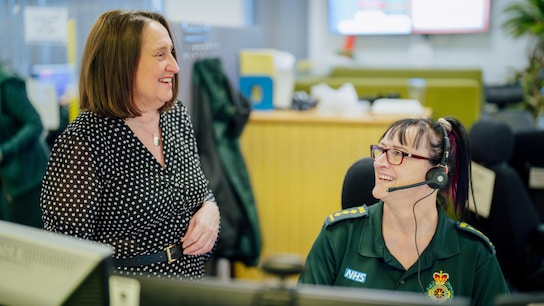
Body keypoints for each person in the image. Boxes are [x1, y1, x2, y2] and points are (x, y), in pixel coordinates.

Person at [40, 10, 220, 279]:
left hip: (190, 284)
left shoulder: (176, 116)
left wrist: (210, 209)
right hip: (130, 289)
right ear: (121, 64)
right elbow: (66, 258)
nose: (175, 66)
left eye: (172, 53)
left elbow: (199, 191)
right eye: (160, 55)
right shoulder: (84, 140)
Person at [298, 117, 510, 306]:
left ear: (437, 174)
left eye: (397, 154)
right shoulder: (338, 235)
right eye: (381, 151)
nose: (379, 163)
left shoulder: (474, 252)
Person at [0, 62, 49, 228]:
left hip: (29, 180)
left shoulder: (7, 84)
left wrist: (4, 152)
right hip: (8, 183)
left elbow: (35, 123)